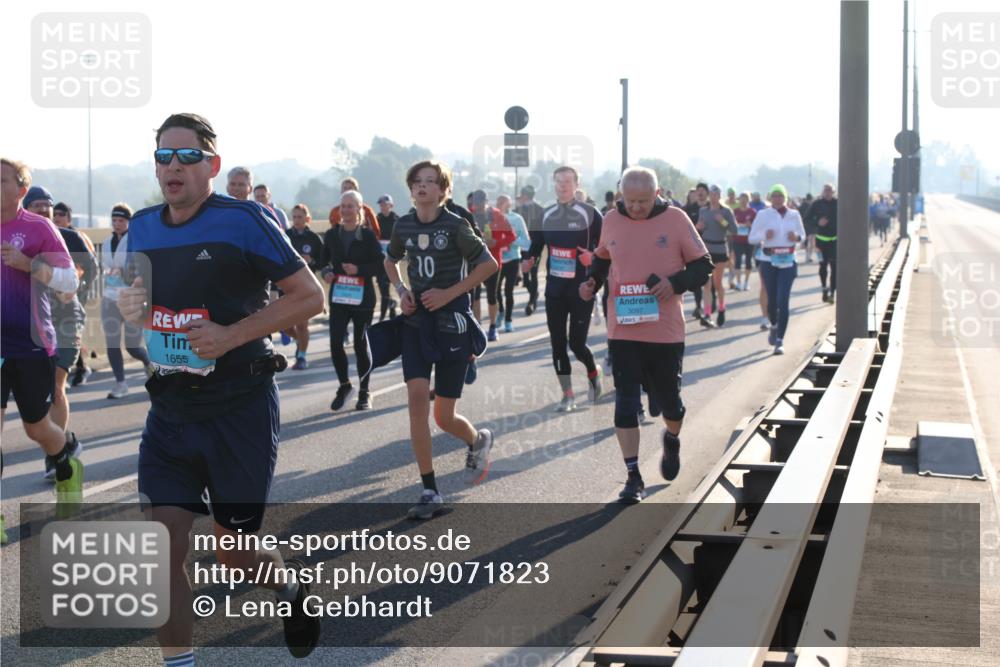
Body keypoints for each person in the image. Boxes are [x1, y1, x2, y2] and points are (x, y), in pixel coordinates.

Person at [118, 113, 324, 661]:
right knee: (161, 551)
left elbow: (310, 296)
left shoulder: (244, 220)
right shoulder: (142, 227)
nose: (173, 166)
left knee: (235, 557)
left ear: (211, 165)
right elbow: (139, 301)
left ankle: (289, 588)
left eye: (187, 156)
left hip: (239, 409)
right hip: (170, 411)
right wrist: (132, 306)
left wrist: (230, 335)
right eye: (163, 156)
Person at [581, 166, 711, 500]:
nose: (636, 207)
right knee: (625, 403)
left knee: (671, 406)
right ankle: (633, 476)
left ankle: (672, 438)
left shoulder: (676, 219)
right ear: (621, 195)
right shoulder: (612, 220)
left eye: (643, 201)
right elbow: (602, 257)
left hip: (664, 331)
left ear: (657, 194)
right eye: (630, 201)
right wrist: (592, 280)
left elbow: (703, 265)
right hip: (623, 329)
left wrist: (674, 283)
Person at [383, 160, 498, 519]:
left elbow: (489, 265)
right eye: (417, 181)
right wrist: (402, 290)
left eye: (431, 181)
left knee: (444, 417)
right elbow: (390, 261)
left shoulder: (455, 225)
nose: (422, 186)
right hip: (417, 324)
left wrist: (449, 294)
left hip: (452, 325)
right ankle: (429, 489)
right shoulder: (403, 225)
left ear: (443, 190)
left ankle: (477, 440)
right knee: (417, 400)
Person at [1, 158, 84, 521]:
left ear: (21, 189)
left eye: (1, 180)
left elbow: (70, 281)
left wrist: (30, 264)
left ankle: (66, 461)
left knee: (36, 427)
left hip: (32, 344)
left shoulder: (39, 228)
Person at [23, 187, 93, 479]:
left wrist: (79, 291)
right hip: (34, 325)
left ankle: (56, 456)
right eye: (37, 205)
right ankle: (66, 442)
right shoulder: (18, 238)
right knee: (36, 396)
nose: (43, 209)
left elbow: (91, 267)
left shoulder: (68, 237)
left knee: (55, 385)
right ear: (25, 208)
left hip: (66, 321)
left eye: (47, 205)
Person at [522, 166, 604, 412]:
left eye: (567, 181)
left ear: (576, 184)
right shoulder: (546, 215)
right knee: (558, 343)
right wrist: (529, 260)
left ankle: (593, 371)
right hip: (555, 290)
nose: (562, 185)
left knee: (577, 345)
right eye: (558, 181)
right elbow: (536, 246)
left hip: (581, 289)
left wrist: (593, 256)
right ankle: (568, 395)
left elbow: (607, 247)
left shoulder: (591, 214)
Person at [321, 191, 382, 410]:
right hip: (339, 297)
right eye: (343, 206)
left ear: (359, 209)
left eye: (350, 206)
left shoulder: (367, 236)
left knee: (360, 345)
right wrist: (326, 272)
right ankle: (345, 385)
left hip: (363, 299)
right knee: (335, 343)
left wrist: (359, 269)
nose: (346, 210)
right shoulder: (331, 235)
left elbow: (380, 265)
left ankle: (364, 391)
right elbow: (323, 260)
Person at [100, 203, 153, 398]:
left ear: (129, 222)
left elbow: (142, 268)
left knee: (132, 346)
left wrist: (124, 272)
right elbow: (104, 267)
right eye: (114, 220)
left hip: (131, 298)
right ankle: (120, 384)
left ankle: (148, 362)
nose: (117, 223)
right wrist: (110, 272)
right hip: (109, 297)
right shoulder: (107, 243)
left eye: (121, 220)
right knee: (112, 343)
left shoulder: (136, 240)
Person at [748, 184, 805, 355]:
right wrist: (764, 236)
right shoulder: (763, 214)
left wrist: (796, 237)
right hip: (768, 261)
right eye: (775, 196)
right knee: (772, 301)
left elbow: (802, 236)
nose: (778, 199)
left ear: (785, 198)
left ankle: (780, 340)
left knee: (783, 300)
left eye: (781, 196)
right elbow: (751, 238)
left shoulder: (794, 215)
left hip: (788, 261)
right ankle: (774, 325)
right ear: (770, 198)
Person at [52, 202, 99, 387]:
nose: (57, 217)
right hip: (56, 295)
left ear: (69, 218)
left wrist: (79, 289)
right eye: (55, 214)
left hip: (75, 294)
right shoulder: (49, 235)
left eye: (61, 214)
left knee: (71, 333)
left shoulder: (77, 237)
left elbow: (92, 267)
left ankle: (81, 368)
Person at [471, 190, 516, 342]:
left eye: (480, 203)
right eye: (475, 203)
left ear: (486, 201)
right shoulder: (470, 215)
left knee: (492, 294)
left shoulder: (497, 215)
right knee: (475, 295)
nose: (478, 206)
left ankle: (492, 326)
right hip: (474, 261)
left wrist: (497, 242)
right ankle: (477, 326)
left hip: (492, 260)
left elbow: (511, 235)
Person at [285, 204, 324, 369]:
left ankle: (301, 357)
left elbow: (322, 261)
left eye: (300, 217)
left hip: (307, 287)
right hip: (287, 287)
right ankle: (299, 340)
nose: (297, 220)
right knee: (284, 325)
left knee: (302, 325)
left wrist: (311, 261)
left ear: (307, 218)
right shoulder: (285, 236)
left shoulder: (314, 238)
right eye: (294, 217)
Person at [696, 185, 734, 327]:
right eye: (711, 194)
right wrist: (698, 227)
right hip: (706, 250)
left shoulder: (726, 211)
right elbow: (697, 230)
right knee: (706, 284)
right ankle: (707, 314)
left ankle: (722, 308)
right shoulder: (703, 211)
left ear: (719, 196)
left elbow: (734, 230)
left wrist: (722, 221)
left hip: (720, 249)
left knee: (718, 284)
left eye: (716, 194)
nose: (713, 197)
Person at [495, 194, 530, 333]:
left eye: (504, 202)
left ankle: (508, 320)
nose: (501, 204)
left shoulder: (517, 219)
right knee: (495, 291)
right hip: (496, 259)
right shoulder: (491, 217)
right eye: (499, 201)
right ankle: (500, 311)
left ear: (510, 204)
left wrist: (511, 239)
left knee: (508, 291)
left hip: (513, 259)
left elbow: (526, 242)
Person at [806, 184, 838, 303]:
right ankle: (824, 288)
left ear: (833, 192)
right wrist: (817, 222)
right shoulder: (816, 204)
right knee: (823, 266)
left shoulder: (838, 203)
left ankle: (832, 292)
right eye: (825, 190)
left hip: (835, 240)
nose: (827, 192)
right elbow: (807, 219)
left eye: (830, 190)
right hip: (820, 241)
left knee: (835, 268)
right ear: (822, 192)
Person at [516, 185, 545, 316]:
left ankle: (531, 302)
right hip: (523, 247)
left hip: (535, 247)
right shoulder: (518, 210)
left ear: (525, 196)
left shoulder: (540, 210)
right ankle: (533, 292)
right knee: (526, 278)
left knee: (533, 274)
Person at [683, 183, 710, 320]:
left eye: (702, 190)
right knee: (697, 279)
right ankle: (699, 306)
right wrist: (695, 228)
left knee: (711, 282)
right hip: (694, 249)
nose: (700, 193)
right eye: (698, 190)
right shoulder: (688, 209)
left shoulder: (713, 208)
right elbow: (682, 228)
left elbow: (726, 227)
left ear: (707, 193)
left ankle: (710, 305)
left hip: (712, 248)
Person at [375, 194, 400, 321]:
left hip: (393, 259)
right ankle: (391, 304)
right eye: (381, 205)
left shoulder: (397, 220)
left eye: (385, 204)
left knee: (389, 285)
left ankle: (382, 316)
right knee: (383, 288)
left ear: (391, 205)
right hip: (379, 259)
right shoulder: (376, 219)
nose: (383, 207)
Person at [732, 192, 757, 292]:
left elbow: (757, 226)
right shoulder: (735, 211)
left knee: (748, 261)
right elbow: (728, 224)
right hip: (737, 240)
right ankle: (738, 283)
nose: (743, 201)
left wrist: (750, 225)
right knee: (737, 260)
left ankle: (746, 282)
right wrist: (736, 226)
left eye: (745, 199)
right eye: (741, 199)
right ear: (739, 200)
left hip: (749, 240)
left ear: (748, 200)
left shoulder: (752, 212)